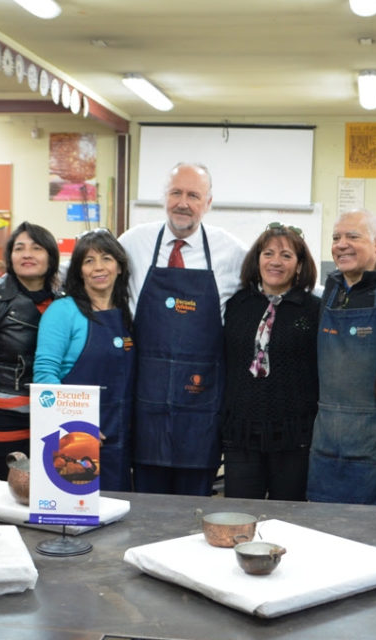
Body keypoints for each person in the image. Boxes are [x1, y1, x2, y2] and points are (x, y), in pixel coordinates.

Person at [118, 162, 246, 496]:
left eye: (193, 195)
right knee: (145, 506)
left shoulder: (233, 253)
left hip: (201, 407)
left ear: (209, 202)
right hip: (146, 401)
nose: (183, 202)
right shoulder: (132, 244)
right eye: (176, 192)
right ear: (164, 197)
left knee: (193, 513)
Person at [220, 224, 321, 500]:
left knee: (288, 521)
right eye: (268, 253)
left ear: (299, 266)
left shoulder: (313, 310)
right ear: (257, 260)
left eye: (286, 256)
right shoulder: (237, 305)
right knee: (241, 517)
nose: (276, 261)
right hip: (241, 434)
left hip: (294, 436)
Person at [308, 209, 376, 504]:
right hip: (326, 435)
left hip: (373, 436)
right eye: (336, 238)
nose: (341, 244)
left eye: (352, 236)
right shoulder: (331, 287)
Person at [34, 228, 135, 491]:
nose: (98, 268)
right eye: (89, 261)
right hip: (75, 441)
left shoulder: (128, 313)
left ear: (120, 267)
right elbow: (45, 375)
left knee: (117, 515)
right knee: (77, 517)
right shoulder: (62, 311)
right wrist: (74, 427)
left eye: (106, 259)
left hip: (121, 435)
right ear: (79, 270)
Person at [0, 222, 60, 483]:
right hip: (2, 416)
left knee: (48, 490)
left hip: (51, 414)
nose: (27, 254)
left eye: (36, 248)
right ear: (10, 257)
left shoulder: (64, 301)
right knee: (8, 493)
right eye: (19, 248)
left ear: (51, 257)